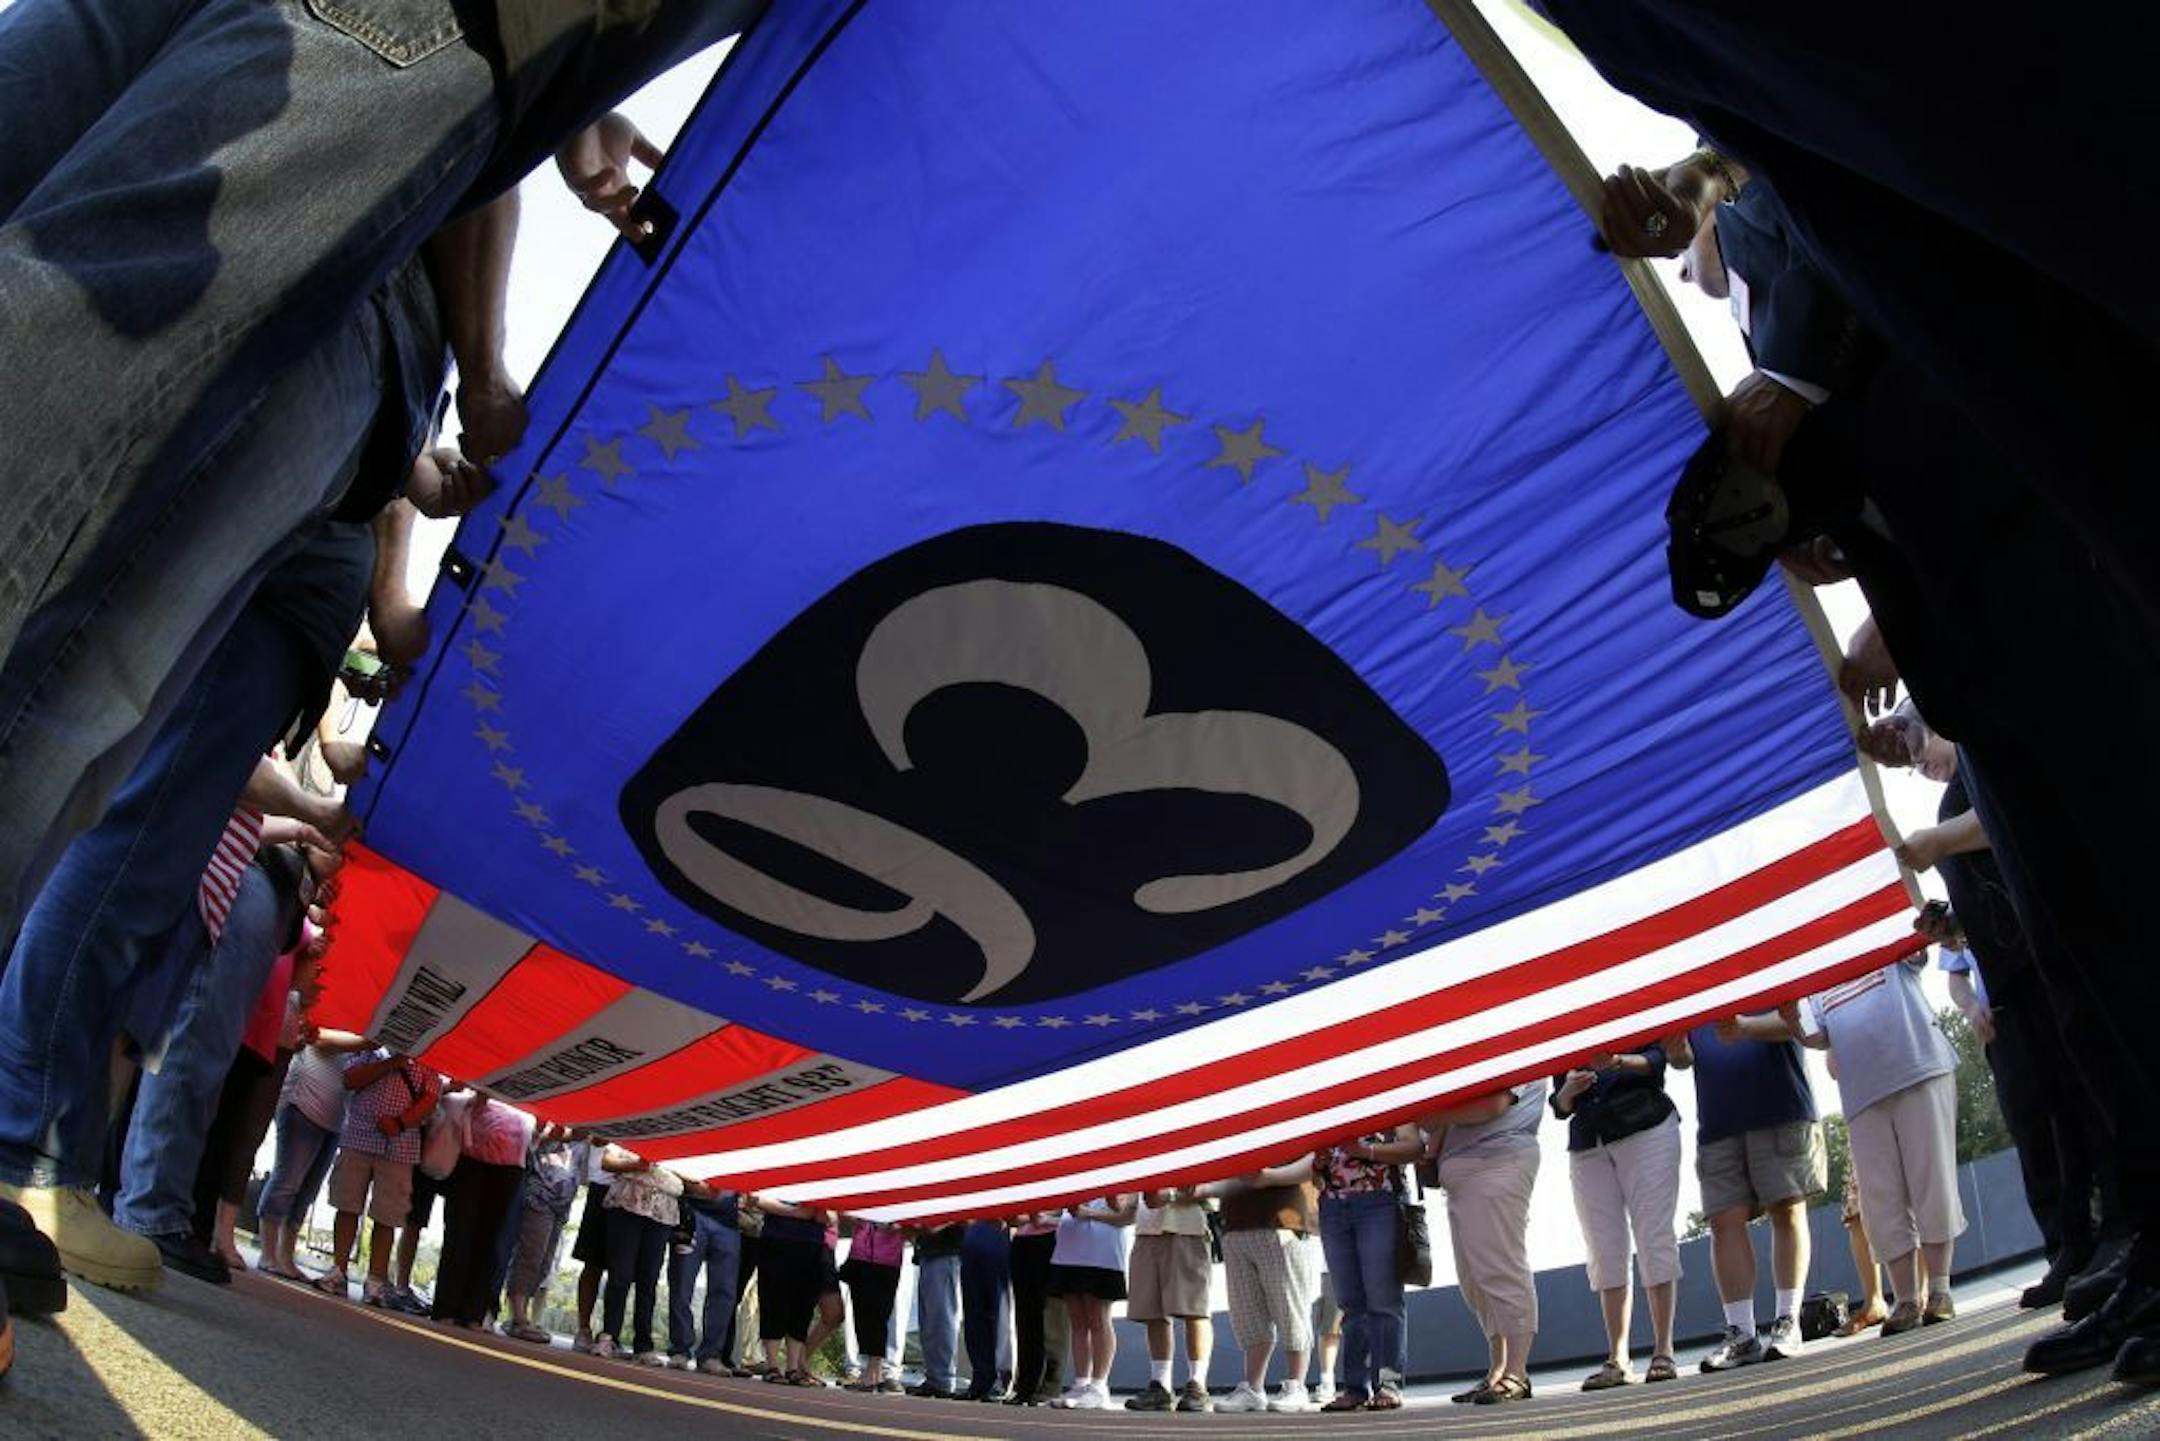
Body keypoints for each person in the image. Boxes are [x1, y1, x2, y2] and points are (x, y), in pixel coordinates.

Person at [112, 842, 321, 1284]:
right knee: (195, 1048)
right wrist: (311, 823)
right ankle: (151, 1211)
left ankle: (153, 1206)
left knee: (202, 1056)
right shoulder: (287, 829)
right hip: (255, 871)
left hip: (269, 885)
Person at [1791, 955, 1964, 1334]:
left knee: (1931, 1183)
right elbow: (1817, 1035)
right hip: (1863, 1093)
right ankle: (1904, 1299)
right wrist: (1788, 1014)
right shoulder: (1817, 969)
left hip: (1917, 1068)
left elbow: (1918, 948)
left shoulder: (1881, 927)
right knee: (1880, 1200)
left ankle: (1939, 1290)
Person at [1670, 1017, 1825, 1370]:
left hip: (1780, 1102)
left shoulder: (1757, 963)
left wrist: (1746, 1028)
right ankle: (1741, 1333)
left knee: (1786, 1208)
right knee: (1723, 1220)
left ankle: (1788, 1320)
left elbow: (1800, 1021)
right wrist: (1677, 1052)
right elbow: (1682, 1058)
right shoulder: (1686, 980)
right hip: (1718, 1117)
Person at [1553, 1046, 1683, 1389]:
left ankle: (1663, 1349)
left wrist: (1617, 1062)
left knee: (1654, 1235)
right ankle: (1618, 1356)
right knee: (1603, 1248)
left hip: (1645, 1125)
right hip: (1588, 1142)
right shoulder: (1564, 1027)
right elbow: (1559, 1104)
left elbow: (1657, 1060)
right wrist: (1567, 1092)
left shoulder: (1624, 1004)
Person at [1426, 1085, 1546, 1406]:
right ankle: (1498, 1370)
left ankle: (1517, 1373)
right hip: (1463, 1172)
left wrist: (1434, 1115)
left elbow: (1494, 1103)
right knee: (1476, 1280)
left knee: (1501, 1268)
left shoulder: (1516, 1045)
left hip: (1497, 1160)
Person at [1302, 1123, 1421, 1412]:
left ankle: (1388, 1383)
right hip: (1332, 1204)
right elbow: (1315, 1169)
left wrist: (1364, 1149)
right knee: (1350, 1302)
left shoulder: (1389, 1098)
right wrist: (1317, 1165)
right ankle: (1355, 1387)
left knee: (1383, 1299)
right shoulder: (1326, 1109)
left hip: (1380, 1200)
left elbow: (1415, 1147)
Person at [317, 1048, 440, 1303]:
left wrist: (401, 1123)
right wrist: (392, 1062)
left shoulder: (427, 1059)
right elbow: (350, 1079)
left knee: (388, 1215)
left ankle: (375, 1281)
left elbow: (430, 1099)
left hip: (400, 1147)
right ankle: (338, 1270)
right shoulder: (370, 1049)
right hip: (358, 1136)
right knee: (347, 1204)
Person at [257, 1023, 369, 1279]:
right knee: (287, 1181)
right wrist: (368, 1041)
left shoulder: (360, 1034)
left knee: (307, 1191)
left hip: (334, 1121)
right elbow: (319, 1038)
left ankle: (285, 1256)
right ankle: (268, 1253)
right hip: (301, 1106)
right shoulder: (326, 1019)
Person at [1204, 1165, 1319, 1414]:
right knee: (1247, 1315)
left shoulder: (1289, 1129)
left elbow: (1313, 1164)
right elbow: (1234, 1179)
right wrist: (1200, 1189)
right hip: (1236, 1227)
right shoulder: (1233, 1137)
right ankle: (1253, 1389)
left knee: (1290, 1308)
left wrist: (1270, 1177)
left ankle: (1296, 1386)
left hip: (1284, 1223)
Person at [433, 1094, 532, 1329]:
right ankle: (446, 1307)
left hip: (510, 1165)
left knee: (490, 1239)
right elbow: (459, 1095)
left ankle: (473, 1312)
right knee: (459, 1232)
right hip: (471, 1157)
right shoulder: (487, 1069)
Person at [1121, 1187, 1216, 1413]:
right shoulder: (1140, 1156)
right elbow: (1129, 1206)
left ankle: (1197, 1385)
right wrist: (1121, 1203)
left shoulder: (1194, 1151)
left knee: (1194, 1309)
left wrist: (1171, 1195)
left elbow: (1212, 1191)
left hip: (1186, 1230)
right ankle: (1160, 1387)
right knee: (1153, 1313)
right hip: (1146, 1232)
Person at [1047, 1194, 1135, 1410]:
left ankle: (1099, 1386)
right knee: (1077, 1321)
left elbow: (1126, 1216)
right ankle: (1081, 1383)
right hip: (1069, 1248)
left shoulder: (1122, 1174)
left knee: (1097, 1318)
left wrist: (1089, 1213)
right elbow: (1057, 1211)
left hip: (1101, 1251)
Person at [597, 1149, 680, 1365]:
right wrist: (635, 1164)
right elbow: (607, 1161)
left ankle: (643, 1345)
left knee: (649, 1279)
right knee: (620, 1275)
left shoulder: (682, 1139)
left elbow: (692, 1178)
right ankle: (609, 1336)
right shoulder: (634, 1131)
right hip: (628, 1201)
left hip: (663, 1210)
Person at [748, 1194, 837, 1386]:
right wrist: (795, 1213)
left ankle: (793, 1368)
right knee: (774, 1299)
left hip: (812, 1244)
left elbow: (832, 1217)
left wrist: (823, 1215)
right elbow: (755, 1199)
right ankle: (772, 1365)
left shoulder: (822, 1181)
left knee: (803, 1305)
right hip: (777, 1238)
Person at [503, 1126, 580, 1343]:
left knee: (544, 1263)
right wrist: (570, 1134)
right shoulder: (552, 1120)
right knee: (531, 1256)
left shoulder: (588, 1135)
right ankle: (518, 1316)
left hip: (562, 1205)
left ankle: (521, 1315)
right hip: (539, 1196)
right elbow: (537, 1136)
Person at [666, 1180, 742, 1372]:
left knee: (724, 1291)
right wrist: (693, 1185)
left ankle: (710, 1354)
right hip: (692, 1212)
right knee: (682, 1282)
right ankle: (680, 1349)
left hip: (728, 1221)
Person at [840, 1218, 906, 1393]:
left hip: (887, 1260)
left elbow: (912, 1224)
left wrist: (895, 1226)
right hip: (859, 1256)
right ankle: (869, 1373)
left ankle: (873, 1373)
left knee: (879, 1315)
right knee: (861, 1316)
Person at [1004, 1211, 1061, 1405]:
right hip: (1022, 1241)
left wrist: (1039, 1215)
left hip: (1052, 1239)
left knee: (1052, 1317)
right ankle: (1025, 1385)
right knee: (1025, 1316)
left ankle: (1049, 1385)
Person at [907, 1221, 968, 1399]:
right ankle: (935, 1377)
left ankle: (943, 1379)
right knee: (929, 1320)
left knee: (941, 1318)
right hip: (930, 1251)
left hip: (946, 1251)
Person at [957, 1217, 1014, 1400]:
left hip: (999, 1244)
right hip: (972, 1244)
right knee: (974, 1317)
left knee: (1000, 1316)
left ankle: (1002, 1377)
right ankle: (981, 1377)